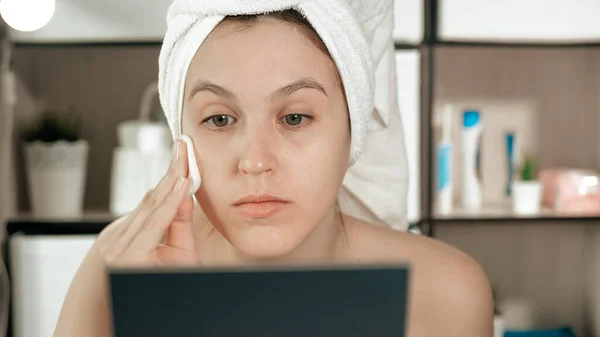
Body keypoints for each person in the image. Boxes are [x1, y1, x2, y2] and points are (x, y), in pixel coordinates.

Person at [53, 6, 493, 337]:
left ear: (352, 132)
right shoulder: (117, 268)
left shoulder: (444, 293)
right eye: (220, 119)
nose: (255, 161)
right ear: (180, 139)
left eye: (295, 118)